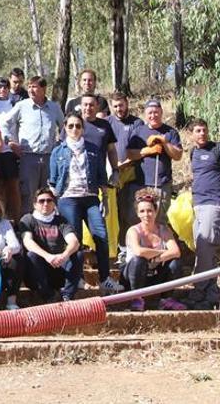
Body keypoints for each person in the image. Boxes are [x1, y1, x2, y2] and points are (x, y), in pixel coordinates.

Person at [50, 113, 123, 294]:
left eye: (78, 126)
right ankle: (77, 278)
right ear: (65, 128)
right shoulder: (58, 151)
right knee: (74, 240)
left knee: (101, 235)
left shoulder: (92, 149)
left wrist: (104, 196)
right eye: (71, 126)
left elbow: (100, 175)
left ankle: (105, 279)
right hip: (68, 199)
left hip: (90, 197)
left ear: (83, 129)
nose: (74, 129)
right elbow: (53, 180)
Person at [185, 118, 220, 310]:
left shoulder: (219, 148)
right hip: (198, 205)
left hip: (215, 203)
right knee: (203, 249)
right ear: (191, 134)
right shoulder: (193, 152)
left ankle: (198, 289)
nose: (202, 134)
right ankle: (211, 294)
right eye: (198, 131)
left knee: (205, 245)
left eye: (204, 130)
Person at [8, 75, 64, 215]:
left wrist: (59, 145)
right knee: (28, 194)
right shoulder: (22, 106)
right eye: (29, 87)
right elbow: (5, 123)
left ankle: (49, 227)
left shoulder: (54, 107)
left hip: (49, 157)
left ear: (44, 89)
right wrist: (10, 141)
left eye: (34, 87)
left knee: (49, 195)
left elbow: (64, 127)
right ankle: (27, 229)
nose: (31, 90)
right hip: (28, 157)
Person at [124, 190, 185, 311]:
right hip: (134, 275)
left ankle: (166, 299)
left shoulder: (164, 230)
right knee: (138, 260)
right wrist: (162, 253)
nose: (146, 214)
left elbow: (176, 251)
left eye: (150, 210)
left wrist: (155, 257)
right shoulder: (133, 231)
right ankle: (136, 298)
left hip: (155, 274)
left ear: (156, 212)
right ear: (137, 214)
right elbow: (138, 251)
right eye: (142, 211)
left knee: (175, 262)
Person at [20, 188, 83, 303]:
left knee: (78, 254)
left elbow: (74, 242)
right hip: (38, 272)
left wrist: (64, 256)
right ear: (35, 204)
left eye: (49, 201)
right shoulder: (27, 219)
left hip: (59, 267)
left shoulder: (61, 221)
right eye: (41, 201)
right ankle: (48, 295)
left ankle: (67, 295)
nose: (45, 204)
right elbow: (28, 242)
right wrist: (47, 256)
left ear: (54, 203)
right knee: (31, 255)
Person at [126, 99, 182, 222]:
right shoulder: (138, 131)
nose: (153, 115)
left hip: (161, 185)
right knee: (138, 220)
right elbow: (129, 154)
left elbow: (178, 155)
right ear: (145, 115)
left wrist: (164, 143)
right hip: (141, 184)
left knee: (159, 220)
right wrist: (146, 151)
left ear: (161, 112)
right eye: (150, 113)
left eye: (156, 112)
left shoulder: (170, 132)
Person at [107, 91, 143, 259]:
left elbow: (138, 150)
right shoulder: (107, 122)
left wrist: (123, 164)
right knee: (113, 214)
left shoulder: (137, 123)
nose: (119, 109)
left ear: (127, 104)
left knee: (129, 213)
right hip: (110, 174)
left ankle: (130, 248)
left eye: (121, 105)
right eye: (115, 106)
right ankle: (117, 249)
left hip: (131, 174)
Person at [0, 78, 22, 223]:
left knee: (13, 185)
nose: (2, 90)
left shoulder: (15, 103)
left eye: (5, 87)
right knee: (0, 186)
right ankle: (1, 220)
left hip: (10, 150)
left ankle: (17, 220)